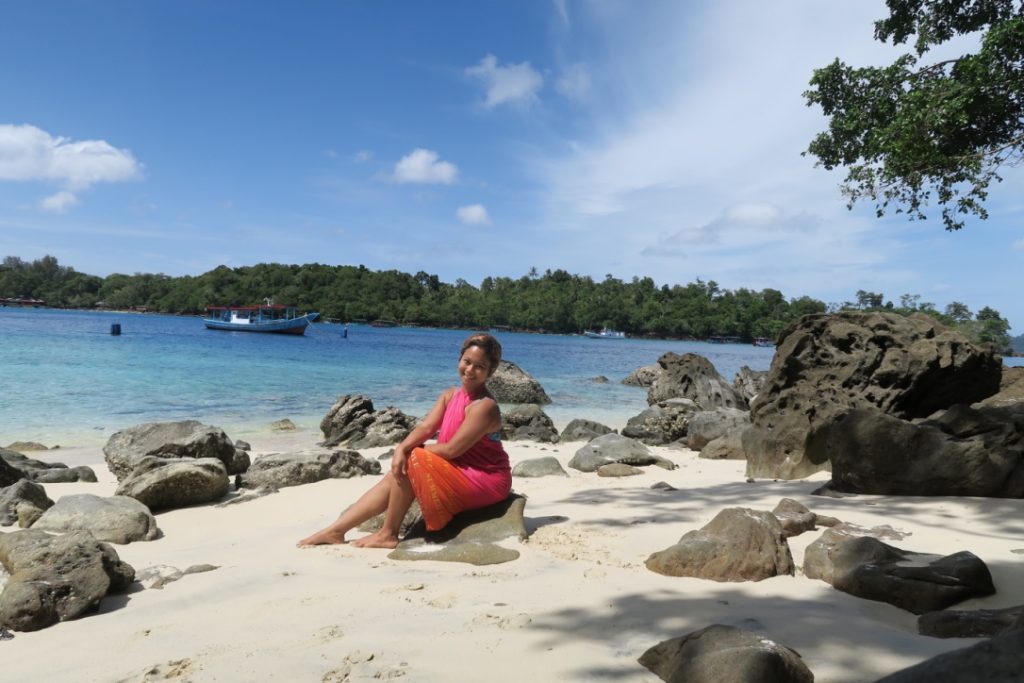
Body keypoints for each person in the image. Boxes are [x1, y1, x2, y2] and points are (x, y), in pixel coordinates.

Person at [298, 333, 511, 549]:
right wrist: (402, 447)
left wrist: (411, 452)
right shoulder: (450, 395)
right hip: (458, 468)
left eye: (479, 366)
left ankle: (388, 534)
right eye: (467, 361)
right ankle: (336, 531)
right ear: (460, 360)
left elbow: (452, 450)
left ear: (491, 371)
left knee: (413, 459)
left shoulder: (484, 406)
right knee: (398, 470)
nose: (470, 370)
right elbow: (426, 427)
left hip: (485, 477)